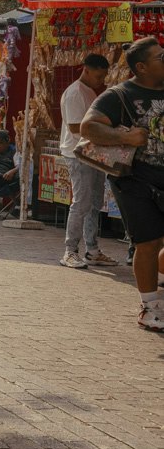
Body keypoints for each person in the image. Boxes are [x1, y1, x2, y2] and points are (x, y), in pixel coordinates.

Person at [81, 37, 164, 332]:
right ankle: (149, 307)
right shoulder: (120, 95)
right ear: (141, 67)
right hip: (135, 179)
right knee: (148, 241)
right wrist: (126, 138)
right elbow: (89, 126)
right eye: (160, 57)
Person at [61, 54, 118, 269]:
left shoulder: (90, 91)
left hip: (92, 154)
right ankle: (70, 251)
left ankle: (92, 250)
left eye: (103, 76)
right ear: (85, 70)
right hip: (78, 155)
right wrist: (107, 131)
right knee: (81, 203)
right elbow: (76, 127)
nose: (101, 80)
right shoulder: (75, 93)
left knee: (94, 204)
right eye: (98, 76)